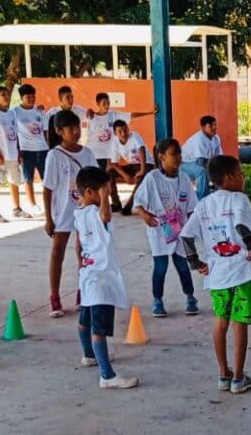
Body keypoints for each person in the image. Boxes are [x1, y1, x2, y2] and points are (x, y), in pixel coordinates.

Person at [181, 155, 251, 394]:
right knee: (240, 324)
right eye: (240, 173)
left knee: (220, 322)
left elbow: (186, 236)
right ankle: (238, 378)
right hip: (241, 272)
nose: (243, 178)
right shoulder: (239, 199)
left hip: (217, 275)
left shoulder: (204, 203)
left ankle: (223, 373)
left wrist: (196, 263)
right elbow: (241, 226)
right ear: (228, 178)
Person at [73, 166, 139, 389]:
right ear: (92, 192)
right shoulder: (94, 212)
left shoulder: (79, 212)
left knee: (85, 320)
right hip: (101, 278)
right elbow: (105, 216)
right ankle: (107, 375)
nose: (108, 192)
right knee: (98, 329)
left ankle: (89, 355)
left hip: (88, 274)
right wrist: (104, 199)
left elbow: (77, 244)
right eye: (104, 189)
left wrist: (79, 264)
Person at [133, 139, 199, 318]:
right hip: (160, 229)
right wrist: (145, 215)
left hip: (180, 230)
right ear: (162, 156)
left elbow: (192, 206)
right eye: (173, 154)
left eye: (179, 153)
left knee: (182, 265)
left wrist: (193, 227)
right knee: (160, 266)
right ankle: (157, 300)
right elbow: (138, 202)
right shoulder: (152, 178)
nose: (178, 157)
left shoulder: (184, 178)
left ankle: (191, 297)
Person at [43, 110, 99, 318]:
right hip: (63, 213)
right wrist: (48, 218)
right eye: (70, 129)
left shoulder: (87, 154)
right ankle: (55, 296)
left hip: (86, 212)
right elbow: (48, 188)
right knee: (58, 253)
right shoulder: (55, 156)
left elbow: (98, 182)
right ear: (59, 131)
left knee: (83, 252)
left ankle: (82, 292)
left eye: (78, 127)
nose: (76, 132)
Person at [0, 85, 29, 223]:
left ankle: (16, 208)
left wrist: (18, 152)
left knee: (14, 181)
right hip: (0, 155)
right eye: (2, 94)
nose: (6, 96)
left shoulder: (11, 114)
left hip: (12, 154)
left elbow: (15, 134)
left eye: (7, 94)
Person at [86, 92, 156, 174]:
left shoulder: (114, 114)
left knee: (107, 176)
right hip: (95, 153)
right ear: (97, 103)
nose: (107, 106)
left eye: (108, 103)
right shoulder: (92, 117)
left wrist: (149, 113)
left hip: (108, 154)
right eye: (104, 103)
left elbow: (131, 115)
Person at [13, 84, 49, 213]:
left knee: (47, 178)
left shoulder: (39, 111)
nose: (31, 99)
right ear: (21, 97)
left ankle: (49, 203)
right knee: (28, 178)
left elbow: (45, 131)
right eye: (28, 97)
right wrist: (17, 151)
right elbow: (14, 133)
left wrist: (48, 147)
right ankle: (33, 204)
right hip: (26, 150)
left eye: (33, 97)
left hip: (43, 149)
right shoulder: (15, 112)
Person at [108, 120, 154, 215]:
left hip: (147, 164)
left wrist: (142, 170)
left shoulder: (134, 136)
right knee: (109, 172)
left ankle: (129, 206)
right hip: (132, 166)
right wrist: (125, 175)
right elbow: (114, 163)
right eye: (120, 131)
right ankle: (116, 203)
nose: (124, 133)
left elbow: (142, 150)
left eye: (125, 130)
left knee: (141, 178)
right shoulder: (114, 142)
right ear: (115, 133)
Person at [181, 115, 223, 200]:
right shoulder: (199, 139)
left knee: (223, 169)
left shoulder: (216, 138)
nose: (214, 127)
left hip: (202, 163)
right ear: (203, 127)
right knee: (202, 171)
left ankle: (220, 196)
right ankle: (201, 200)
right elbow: (201, 162)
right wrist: (214, 169)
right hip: (185, 164)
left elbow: (219, 157)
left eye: (215, 125)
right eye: (210, 126)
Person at [45, 85, 89, 149]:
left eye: (72, 97)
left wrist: (91, 111)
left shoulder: (79, 110)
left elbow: (91, 116)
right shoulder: (52, 113)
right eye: (67, 97)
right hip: (58, 149)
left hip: (75, 148)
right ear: (60, 99)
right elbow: (46, 131)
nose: (71, 100)